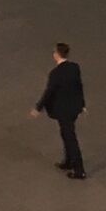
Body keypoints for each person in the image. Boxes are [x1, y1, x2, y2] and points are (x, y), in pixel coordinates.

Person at [34, 42, 85, 179]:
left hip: (63, 110)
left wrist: (38, 108)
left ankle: (79, 169)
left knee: (69, 137)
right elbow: (79, 86)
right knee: (66, 133)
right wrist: (82, 103)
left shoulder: (55, 73)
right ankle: (68, 161)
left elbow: (49, 92)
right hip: (74, 107)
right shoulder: (74, 67)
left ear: (57, 54)